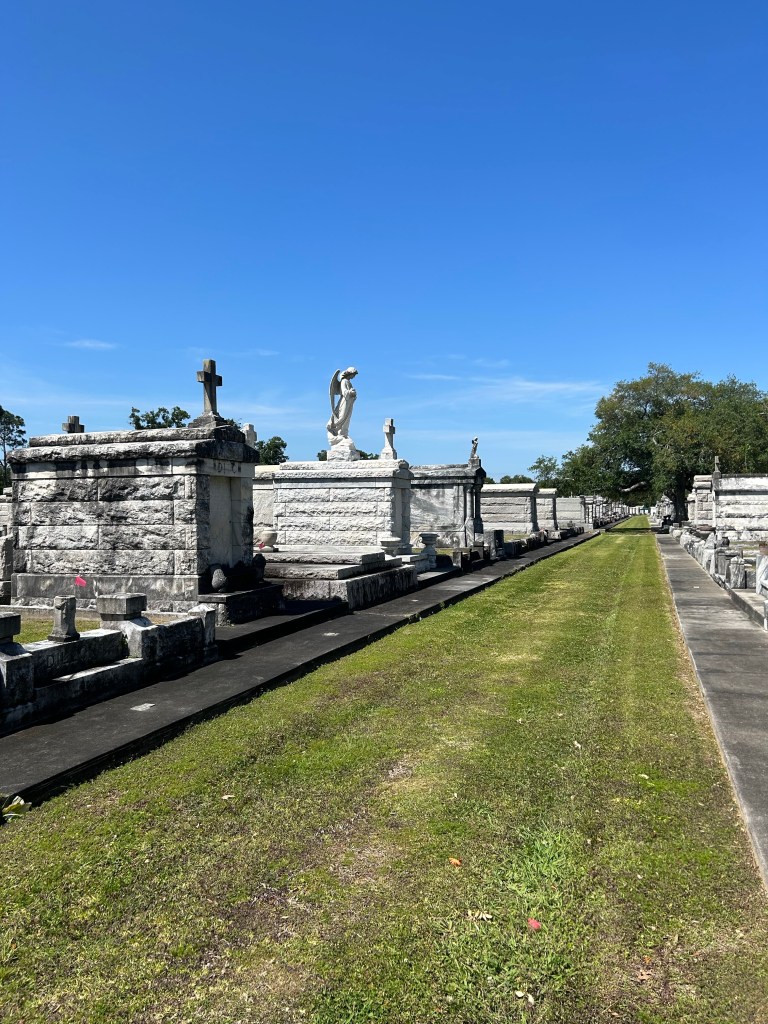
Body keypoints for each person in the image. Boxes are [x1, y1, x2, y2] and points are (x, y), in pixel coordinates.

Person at [326, 367, 358, 444]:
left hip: (349, 402)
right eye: (353, 374)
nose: (354, 376)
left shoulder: (348, 382)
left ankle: (343, 433)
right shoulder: (344, 381)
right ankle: (333, 428)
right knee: (342, 416)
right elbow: (344, 392)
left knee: (347, 417)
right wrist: (351, 392)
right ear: (350, 373)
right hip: (344, 401)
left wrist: (353, 394)